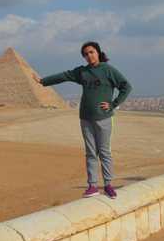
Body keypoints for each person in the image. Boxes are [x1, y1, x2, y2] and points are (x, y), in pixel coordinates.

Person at [32, 41, 132, 199]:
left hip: (104, 118)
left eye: (91, 52)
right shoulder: (82, 71)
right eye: (86, 54)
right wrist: (43, 81)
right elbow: (63, 75)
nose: (89, 56)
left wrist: (113, 104)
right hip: (85, 118)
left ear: (98, 52)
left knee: (105, 152)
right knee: (91, 153)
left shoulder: (108, 70)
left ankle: (108, 184)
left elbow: (126, 86)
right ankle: (92, 186)